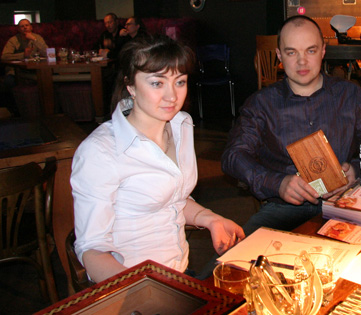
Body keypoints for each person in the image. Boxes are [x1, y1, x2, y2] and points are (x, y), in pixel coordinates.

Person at [71, 35, 244, 283]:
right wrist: (143, 293)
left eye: (180, 82)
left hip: (180, 274)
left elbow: (172, 200)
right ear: (130, 85)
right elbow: (92, 249)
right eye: (157, 83)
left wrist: (210, 219)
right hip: (134, 286)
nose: (172, 96)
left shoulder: (181, 124)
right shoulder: (100, 151)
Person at [221, 16, 361, 236]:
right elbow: (233, 156)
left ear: (323, 51)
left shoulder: (350, 94)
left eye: (310, 51)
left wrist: (356, 169)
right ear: (279, 55)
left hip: (347, 202)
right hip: (284, 209)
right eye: (291, 52)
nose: (302, 62)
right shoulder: (261, 104)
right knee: (238, 255)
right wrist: (277, 183)